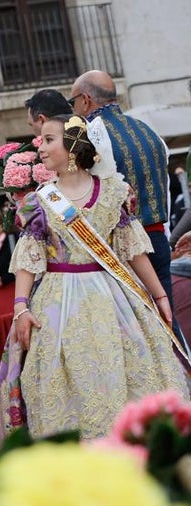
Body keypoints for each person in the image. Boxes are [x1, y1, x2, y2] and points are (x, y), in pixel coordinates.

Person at [0, 115, 188, 439]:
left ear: (72, 146)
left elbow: (132, 251)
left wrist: (159, 297)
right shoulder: (40, 201)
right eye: (40, 140)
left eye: (48, 139)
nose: (40, 147)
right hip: (58, 301)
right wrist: (21, 307)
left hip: (114, 296)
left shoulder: (113, 192)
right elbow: (29, 258)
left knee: (130, 369)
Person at [70, 71, 177, 333]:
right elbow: (165, 188)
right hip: (159, 239)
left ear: (85, 99)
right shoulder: (147, 130)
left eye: (72, 101)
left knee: (137, 333)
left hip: (124, 249)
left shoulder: (91, 135)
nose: (73, 108)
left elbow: (96, 195)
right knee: (168, 324)